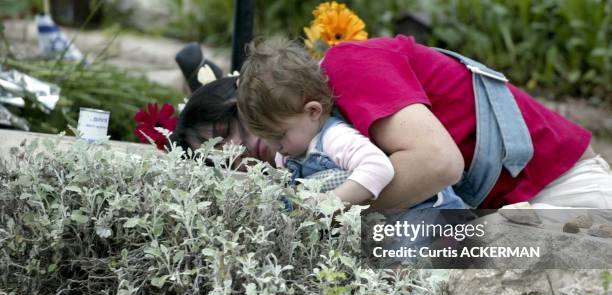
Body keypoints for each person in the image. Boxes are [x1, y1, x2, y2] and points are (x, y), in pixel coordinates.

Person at [173, 36, 612, 210]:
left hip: (563, 188)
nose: (236, 156)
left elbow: (438, 164)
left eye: (225, 136)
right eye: (216, 159)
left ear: (242, 100)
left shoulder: (349, 65)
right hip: (507, 207)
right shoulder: (307, 134)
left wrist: (326, 220)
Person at [235, 38, 465, 209]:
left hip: (429, 212)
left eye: (279, 136)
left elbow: (378, 167)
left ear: (313, 111)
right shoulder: (292, 147)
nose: (275, 146)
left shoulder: (335, 137)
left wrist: (330, 205)